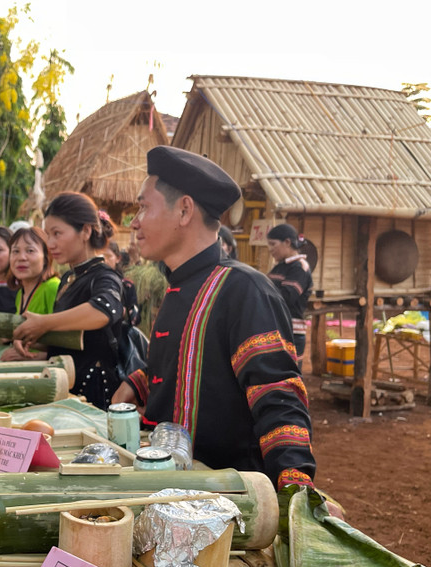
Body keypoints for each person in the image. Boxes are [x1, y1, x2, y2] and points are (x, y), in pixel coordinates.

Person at [111, 145, 316, 494]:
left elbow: (277, 395)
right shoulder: (179, 285)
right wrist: (140, 381)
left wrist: (295, 486)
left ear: (184, 210)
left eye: (144, 207)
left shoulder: (244, 289)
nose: (135, 222)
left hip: (221, 499)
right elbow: (191, 363)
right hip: (168, 489)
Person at [13, 192, 123, 409]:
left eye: (57, 233)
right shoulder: (68, 278)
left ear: (86, 231)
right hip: (68, 387)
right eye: (48, 235)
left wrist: (44, 323)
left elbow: (103, 311)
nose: (50, 243)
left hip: (94, 393)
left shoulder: (104, 276)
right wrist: (32, 337)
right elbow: (75, 336)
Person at [0, 225, 59, 361]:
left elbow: (65, 342)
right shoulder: (20, 293)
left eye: (30, 251)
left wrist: (34, 358)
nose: (21, 257)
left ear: (46, 257)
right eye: (15, 251)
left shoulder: (53, 287)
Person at [266, 223, 313, 361]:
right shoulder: (279, 267)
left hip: (291, 332)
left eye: (273, 244)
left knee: (288, 372)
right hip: (276, 329)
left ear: (287, 242)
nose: (270, 249)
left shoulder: (299, 268)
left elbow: (286, 297)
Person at [102, 237, 140, 326]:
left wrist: (124, 313)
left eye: (109, 256)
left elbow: (135, 319)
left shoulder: (127, 286)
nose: (105, 260)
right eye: (101, 257)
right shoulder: (91, 282)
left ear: (118, 258)